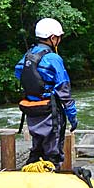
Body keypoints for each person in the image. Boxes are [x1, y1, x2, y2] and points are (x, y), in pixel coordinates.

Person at [15, 18, 78, 167]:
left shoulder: (28, 55)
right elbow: (64, 91)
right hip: (51, 112)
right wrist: (73, 117)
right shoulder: (53, 58)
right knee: (53, 154)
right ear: (53, 38)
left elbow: (19, 73)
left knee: (37, 150)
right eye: (59, 37)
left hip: (31, 111)